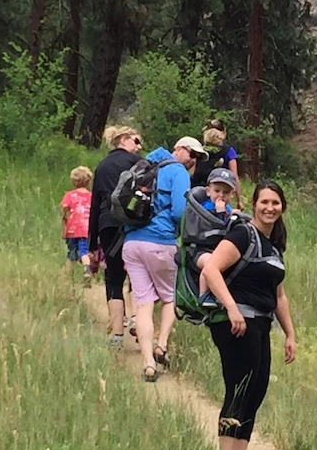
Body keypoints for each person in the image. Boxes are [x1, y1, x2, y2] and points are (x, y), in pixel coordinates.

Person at [201, 180, 296, 450]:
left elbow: (279, 295)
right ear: (254, 203)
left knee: (255, 392)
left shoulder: (274, 245)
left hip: (261, 323)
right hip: (237, 324)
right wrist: (232, 309)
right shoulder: (242, 234)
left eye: (276, 203)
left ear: (282, 207)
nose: (270, 208)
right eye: (264, 202)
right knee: (238, 391)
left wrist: (290, 334)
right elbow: (212, 269)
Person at [122, 136, 207, 381]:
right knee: (170, 297)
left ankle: (148, 363)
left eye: (197, 157)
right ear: (178, 149)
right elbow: (181, 210)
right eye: (191, 153)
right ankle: (161, 345)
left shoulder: (145, 166)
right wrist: (184, 234)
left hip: (132, 243)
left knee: (144, 303)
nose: (193, 160)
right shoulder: (177, 170)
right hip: (160, 242)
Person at [88, 126, 143, 348]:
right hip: (134, 224)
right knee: (137, 275)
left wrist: (92, 244)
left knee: (114, 277)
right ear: (123, 139)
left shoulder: (102, 167)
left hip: (108, 224)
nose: (139, 146)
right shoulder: (139, 164)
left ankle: (117, 335)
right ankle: (137, 320)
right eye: (136, 141)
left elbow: (94, 205)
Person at [195, 167, 236, 308]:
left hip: (220, 249)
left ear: (232, 195)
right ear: (208, 191)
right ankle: (204, 294)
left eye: (226, 192)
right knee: (211, 263)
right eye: (217, 191)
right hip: (201, 250)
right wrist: (220, 213)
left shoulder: (228, 208)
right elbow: (215, 225)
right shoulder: (205, 207)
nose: (221, 196)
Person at [191, 119, 243, 210]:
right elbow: (234, 176)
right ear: (223, 133)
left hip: (196, 194)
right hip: (220, 195)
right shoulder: (228, 151)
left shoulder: (200, 151)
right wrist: (239, 200)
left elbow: (192, 173)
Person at [61, 166, 93, 286]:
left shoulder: (70, 195)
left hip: (73, 228)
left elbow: (64, 207)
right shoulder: (91, 196)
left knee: (72, 252)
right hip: (87, 228)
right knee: (84, 251)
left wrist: (64, 216)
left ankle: (65, 275)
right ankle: (86, 270)